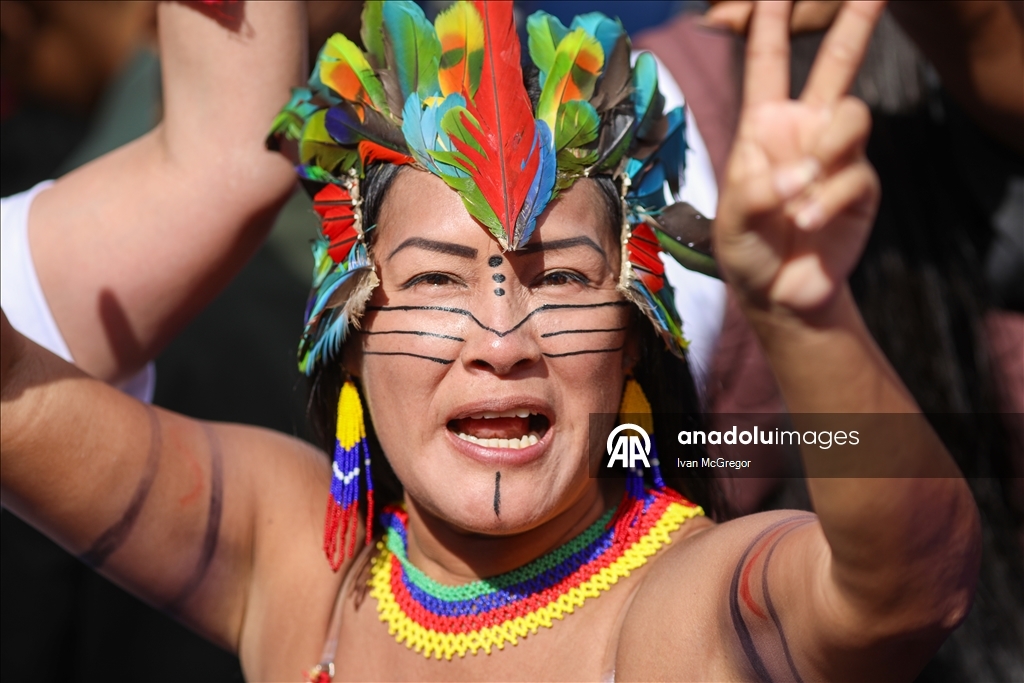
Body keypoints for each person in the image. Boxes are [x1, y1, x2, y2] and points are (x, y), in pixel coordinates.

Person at [1, 3, 981, 681]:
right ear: (349, 331)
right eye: (432, 279)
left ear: (634, 336)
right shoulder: (295, 563)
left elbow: (912, 581)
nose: (501, 338)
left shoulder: (676, 612)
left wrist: (805, 315)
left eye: (559, 277)